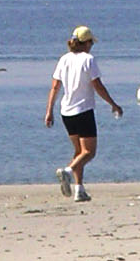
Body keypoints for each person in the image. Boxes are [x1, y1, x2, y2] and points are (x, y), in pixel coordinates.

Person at [44, 25, 121, 201]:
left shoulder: (64, 59)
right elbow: (98, 86)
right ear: (86, 43)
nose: (91, 46)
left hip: (66, 112)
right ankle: (68, 171)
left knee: (79, 151)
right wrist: (113, 104)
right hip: (83, 110)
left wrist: (49, 111)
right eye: (90, 43)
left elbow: (55, 87)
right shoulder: (88, 60)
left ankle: (79, 190)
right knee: (89, 152)